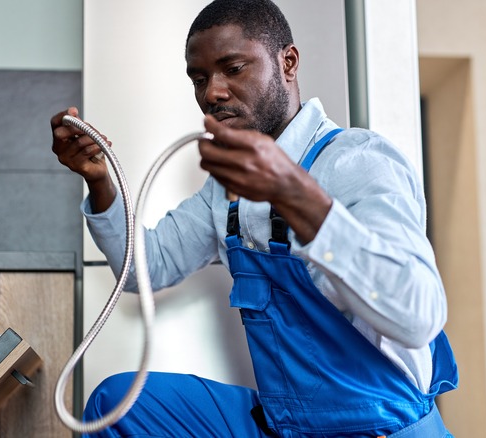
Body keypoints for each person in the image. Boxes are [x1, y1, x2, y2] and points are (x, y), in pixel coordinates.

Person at [50, 0, 458, 436]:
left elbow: (419, 316)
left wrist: (295, 195)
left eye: (234, 68)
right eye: (200, 78)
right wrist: (99, 182)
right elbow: (143, 270)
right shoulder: (225, 195)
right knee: (117, 405)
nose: (213, 93)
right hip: (288, 425)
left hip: (379, 427)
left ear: (288, 62)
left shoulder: (358, 162)